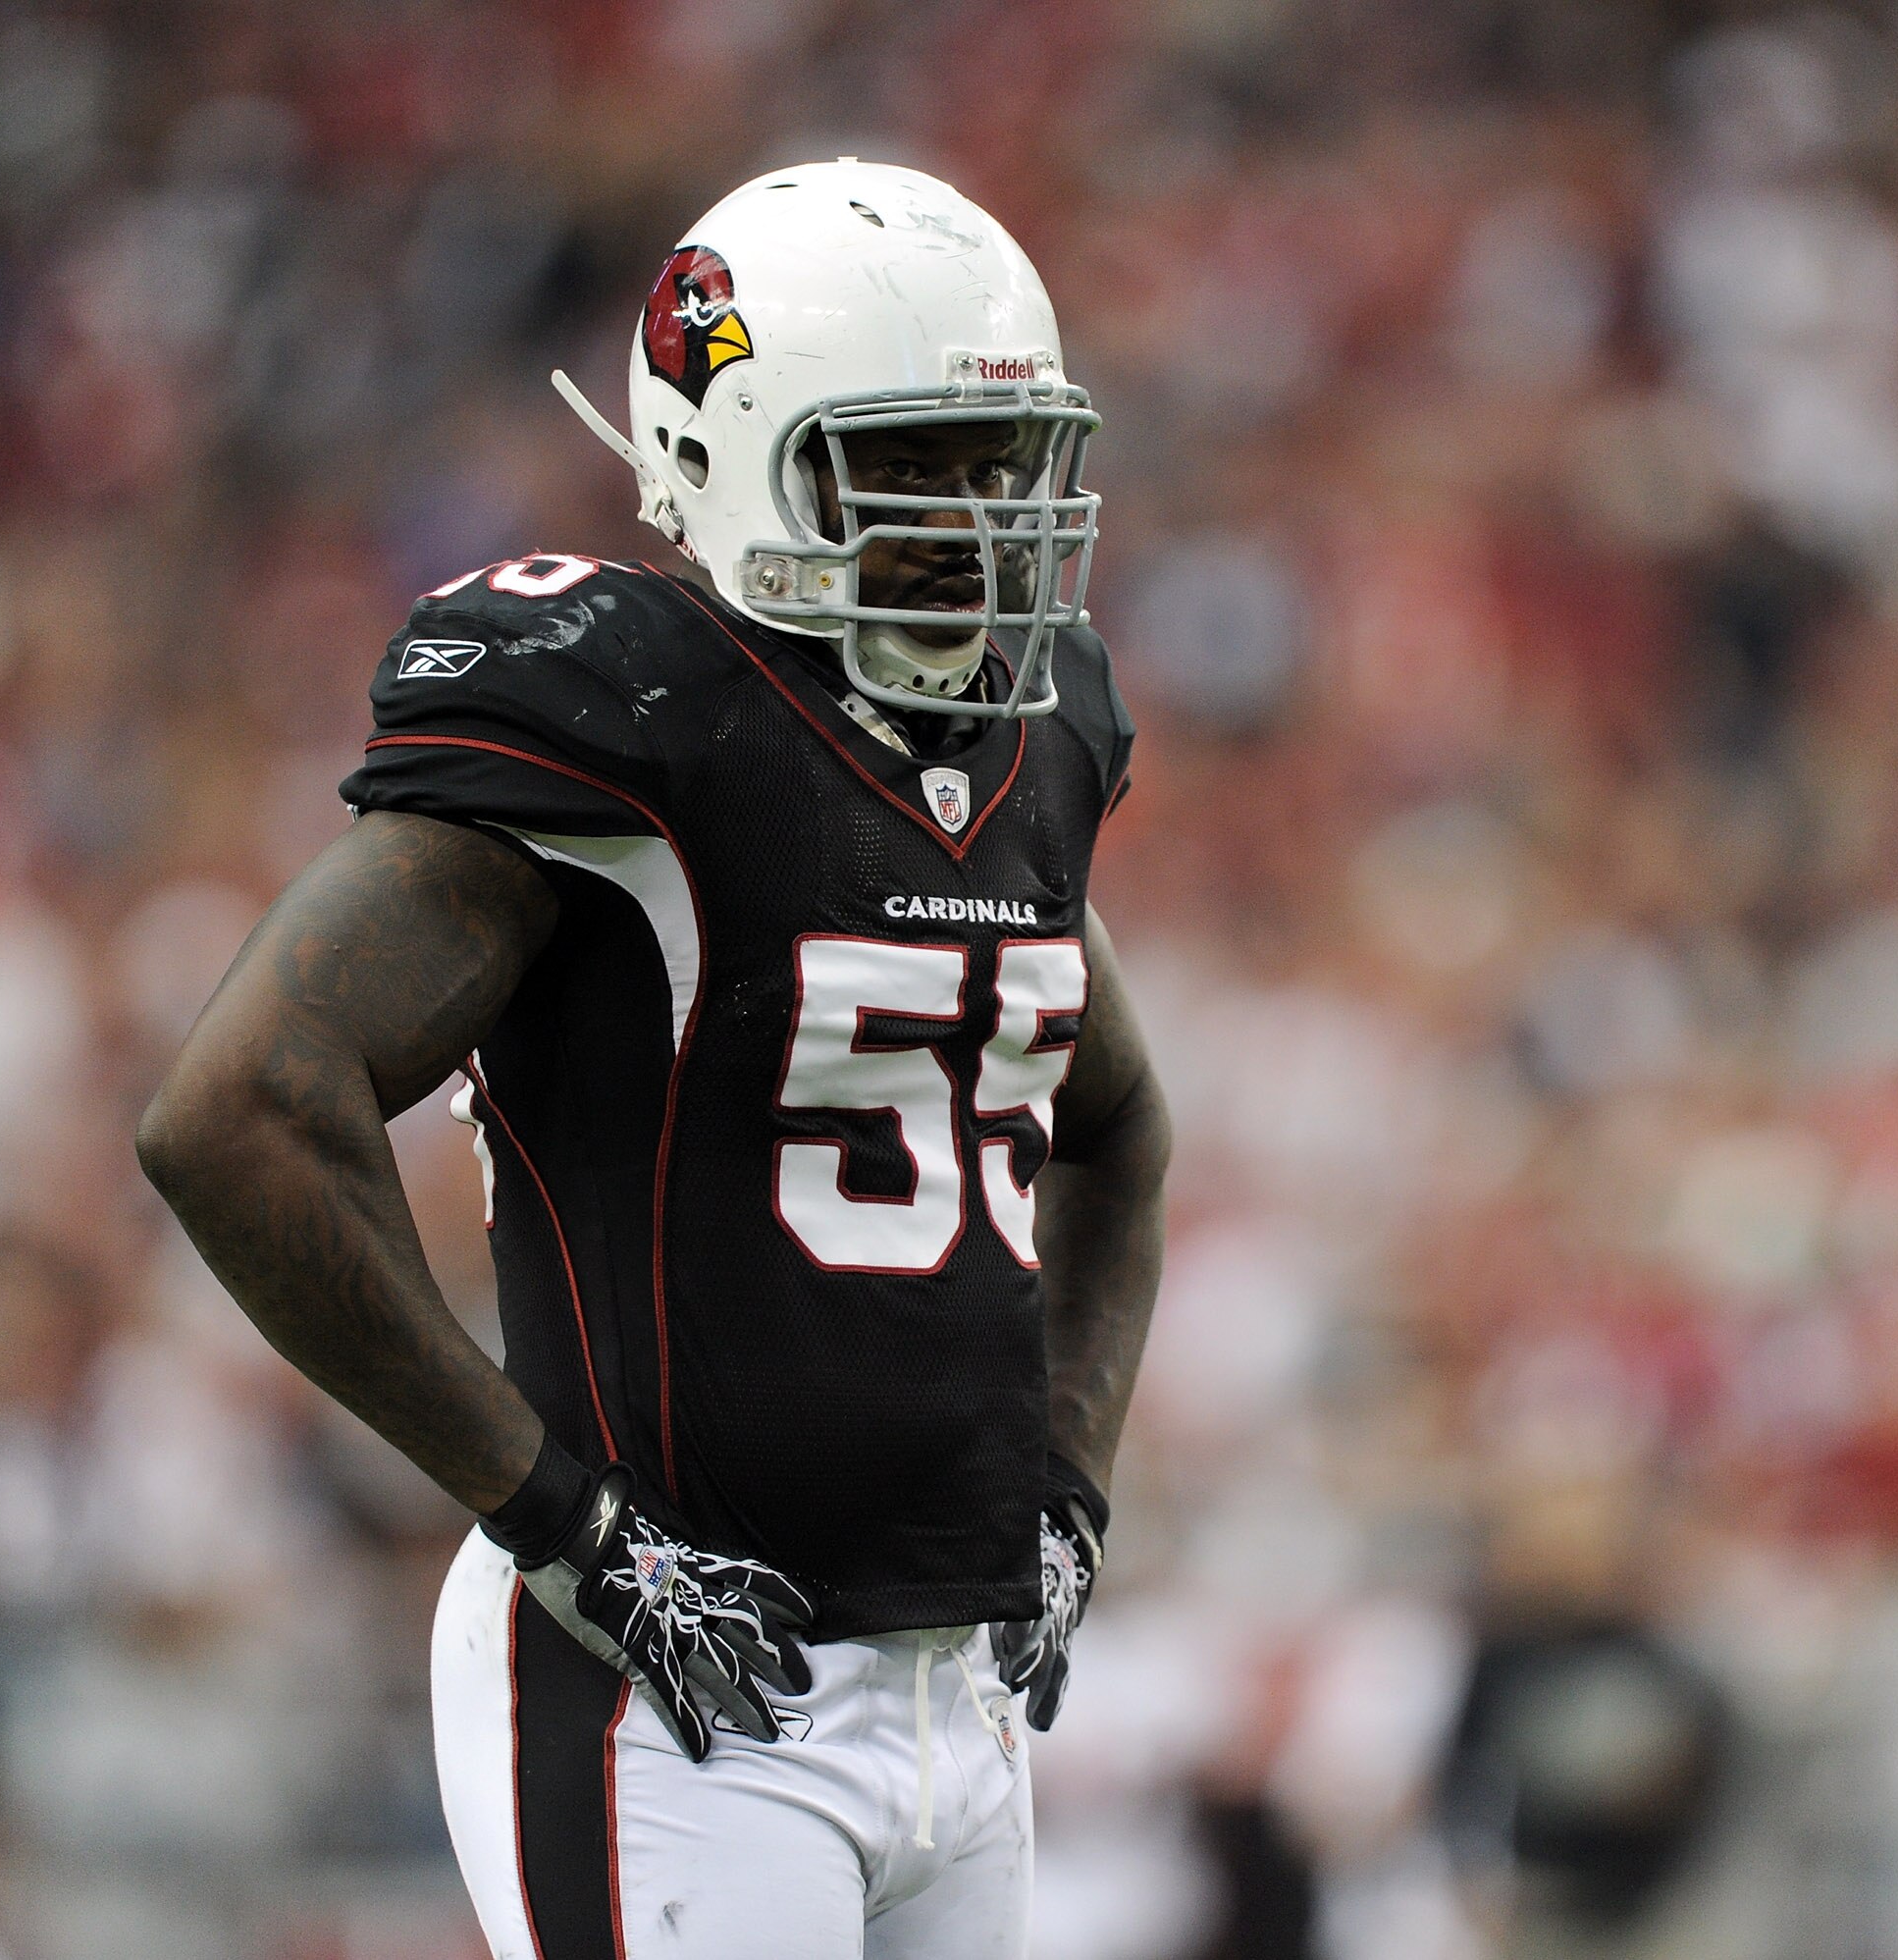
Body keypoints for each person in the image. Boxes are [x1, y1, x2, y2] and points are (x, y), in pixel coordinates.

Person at [136, 159, 1172, 1957]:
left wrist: (1068, 1481)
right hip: (675, 1696)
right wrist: (566, 1524)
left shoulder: (1042, 729)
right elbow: (238, 1110)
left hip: (955, 1696)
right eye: (917, 465)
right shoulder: (639, 708)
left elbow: (1118, 1125)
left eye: (1007, 465)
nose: (988, 518)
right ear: (735, 447)